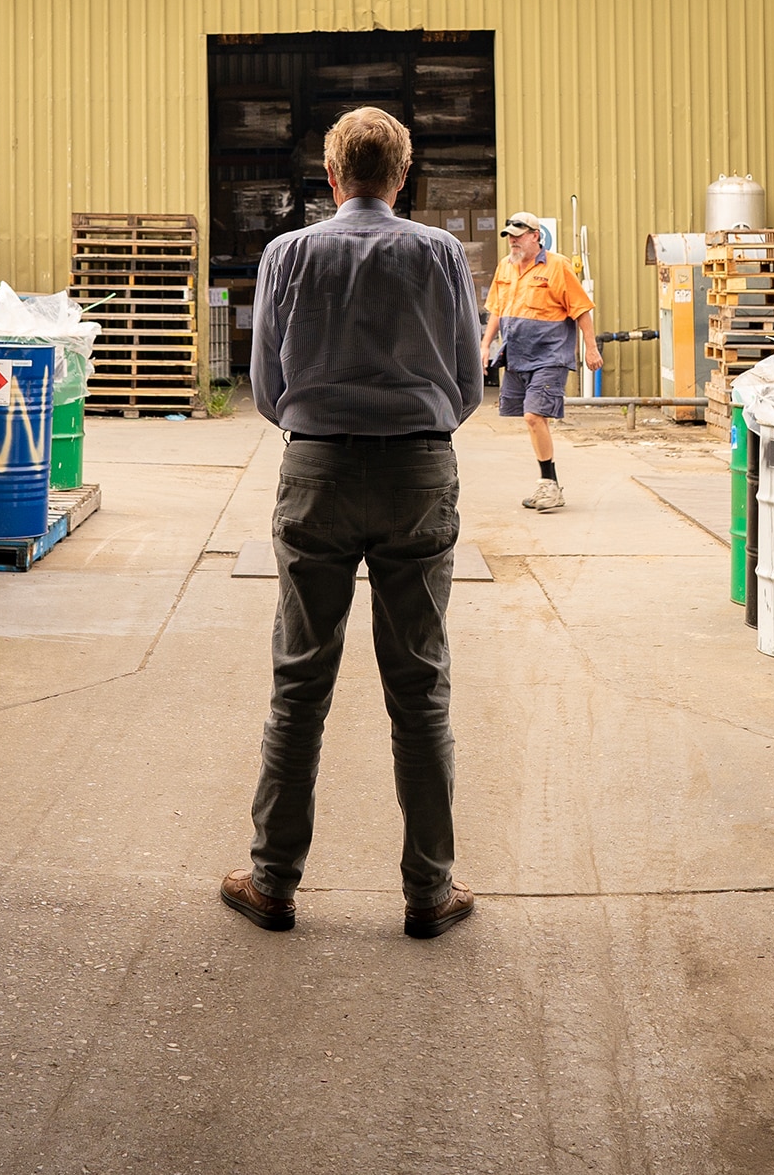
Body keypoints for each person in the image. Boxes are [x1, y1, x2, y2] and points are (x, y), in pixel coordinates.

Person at [223, 106, 484, 940]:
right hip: (417, 471)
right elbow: (470, 383)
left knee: (300, 684)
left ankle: (272, 883)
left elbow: (266, 385)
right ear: (403, 177)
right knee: (421, 688)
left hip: (318, 470)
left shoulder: (287, 255)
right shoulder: (440, 254)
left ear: (330, 177)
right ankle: (428, 892)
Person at [480, 212, 598, 513]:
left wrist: (591, 348)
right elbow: (496, 309)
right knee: (531, 419)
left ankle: (549, 485)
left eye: (519, 235)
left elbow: (581, 309)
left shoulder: (558, 267)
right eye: (510, 236)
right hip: (517, 355)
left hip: (550, 355)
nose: (513, 241)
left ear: (536, 235)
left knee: (534, 416)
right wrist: (484, 345)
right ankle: (549, 485)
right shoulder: (505, 267)